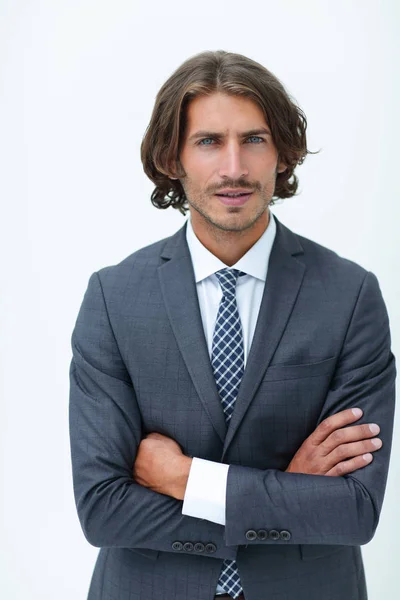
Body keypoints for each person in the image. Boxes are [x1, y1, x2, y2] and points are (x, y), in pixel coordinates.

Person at [68, 50, 396, 600]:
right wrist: (289, 496)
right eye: (208, 142)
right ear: (172, 158)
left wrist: (183, 479)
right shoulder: (113, 298)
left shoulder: (349, 295)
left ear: (282, 155)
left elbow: (355, 511)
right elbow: (104, 510)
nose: (234, 169)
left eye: (254, 140)